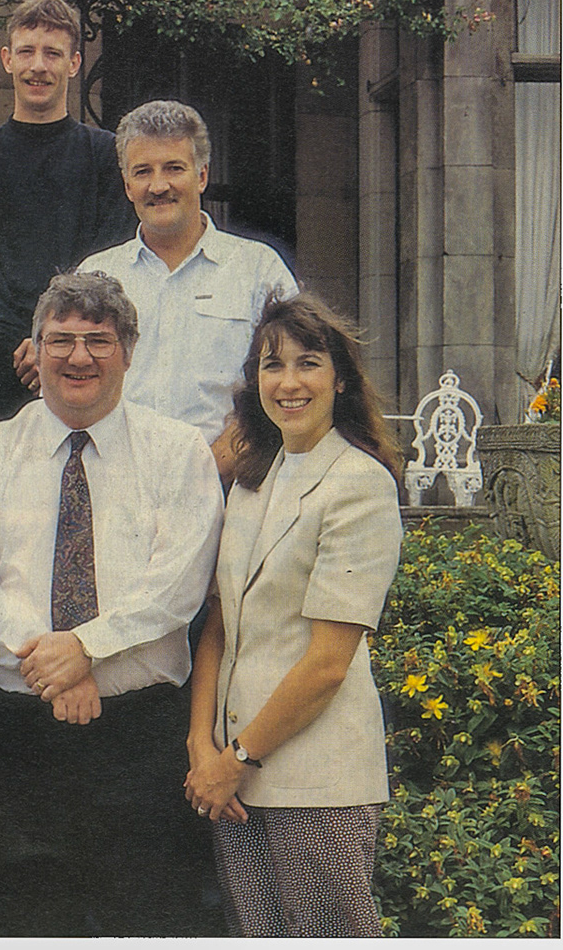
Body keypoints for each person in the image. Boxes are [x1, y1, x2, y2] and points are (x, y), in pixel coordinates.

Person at [0, 271, 224, 936]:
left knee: (148, 916)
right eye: (59, 340)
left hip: (142, 737)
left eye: (98, 340)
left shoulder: (177, 451)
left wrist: (85, 648)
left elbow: (179, 582)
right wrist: (51, 663)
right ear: (34, 352)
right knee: (28, 921)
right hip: (18, 736)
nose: (78, 357)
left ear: (128, 349)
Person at [184, 293, 405, 937]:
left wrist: (237, 759)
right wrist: (204, 747)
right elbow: (219, 628)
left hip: (316, 783)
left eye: (307, 364)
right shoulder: (253, 480)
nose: (288, 382)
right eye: (271, 365)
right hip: (233, 783)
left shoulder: (360, 484)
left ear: (340, 378)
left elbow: (329, 665)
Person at [17, 99, 297, 472]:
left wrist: (207, 470)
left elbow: (291, 380)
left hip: (231, 484)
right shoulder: (94, 276)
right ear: (128, 184)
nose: (158, 185)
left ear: (201, 176)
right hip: (114, 486)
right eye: (143, 171)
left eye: (174, 168)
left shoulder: (259, 269)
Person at [0, 0, 135, 430]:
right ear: (7, 59)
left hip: (84, 359)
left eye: (53, 53)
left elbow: (109, 256)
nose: (38, 66)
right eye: (27, 52)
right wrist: (26, 341)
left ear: (73, 63)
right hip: (1, 365)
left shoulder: (107, 156)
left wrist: (58, 341)